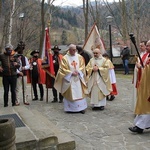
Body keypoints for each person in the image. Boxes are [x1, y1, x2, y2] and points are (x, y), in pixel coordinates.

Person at [54, 44, 87, 114]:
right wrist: (71, 73)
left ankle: (81, 108)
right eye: (73, 50)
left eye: (75, 50)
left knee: (79, 92)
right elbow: (62, 69)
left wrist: (78, 71)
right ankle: (70, 109)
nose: (74, 51)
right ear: (69, 50)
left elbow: (82, 66)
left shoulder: (80, 57)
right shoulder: (65, 58)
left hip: (78, 78)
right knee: (71, 92)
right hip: (70, 79)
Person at [129, 40, 150, 133]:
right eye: (147, 45)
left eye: (148, 46)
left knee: (146, 104)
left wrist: (143, 67)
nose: (147, 47)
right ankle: (141, 125)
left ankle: (140, 126)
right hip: (146, 84)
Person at [132, 41, 148, 111]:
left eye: (142, 46)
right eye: (140, 46)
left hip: (144, 77)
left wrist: (140, 67)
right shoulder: (141, 54)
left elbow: (146, 67)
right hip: (138, 75)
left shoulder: (147, 55)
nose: (140, 47)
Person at [15, 41, 30, 105]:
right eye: (20, 49)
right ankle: (17, 101)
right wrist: (18, 72)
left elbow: (28, 65)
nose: (21, 50)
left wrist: (24, 68)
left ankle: (25, 100)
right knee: (17, 88)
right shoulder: (15, 57)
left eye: (22, 49)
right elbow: (13, 66)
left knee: (25, 88)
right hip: (18, 75)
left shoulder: (25, 58)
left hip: (24, 74)